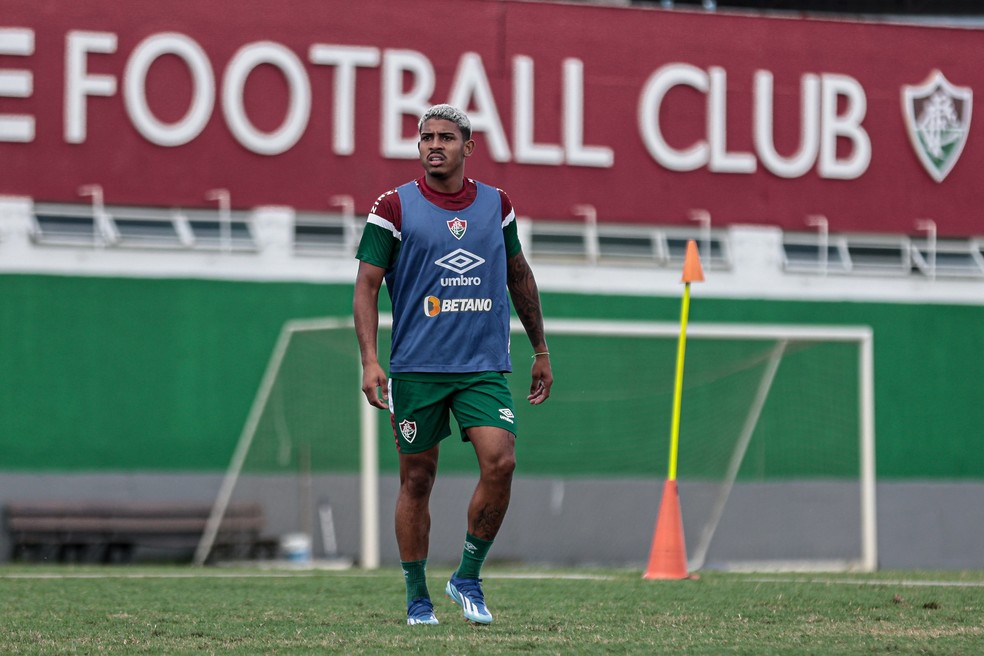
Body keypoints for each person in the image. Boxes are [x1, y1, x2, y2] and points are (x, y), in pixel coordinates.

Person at [353, 104, 553, 626]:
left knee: (501, 461)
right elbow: (367, 287)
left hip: (482, 366)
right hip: (417, 368)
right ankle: (418, 598)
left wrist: (541, 349)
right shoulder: (392, 207)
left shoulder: (496, 205)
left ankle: (467, 575)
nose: (433, 144)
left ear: (469, 146)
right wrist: (371, 360)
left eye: (445, 136)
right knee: (417, 479)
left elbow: (518, 275)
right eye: (425, 137)